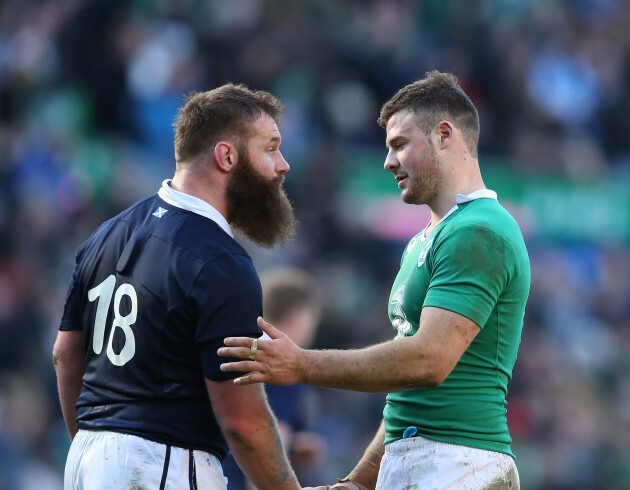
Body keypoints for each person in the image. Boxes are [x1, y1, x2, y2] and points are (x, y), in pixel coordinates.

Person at [218, 71, 531, 489]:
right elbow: (409, 387)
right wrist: (361, 480)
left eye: (399, 144)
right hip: (427, 460)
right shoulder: (426, 239)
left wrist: (302, 364)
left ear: (444, 135)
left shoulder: (479, 230)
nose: (388, 162)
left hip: (460, 463)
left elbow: (428, 361)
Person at [52, 83, 306, 489]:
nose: (283, 164)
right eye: (271, 147)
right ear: (227, 156)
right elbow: (242, 422)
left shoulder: (105, 235)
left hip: (86, 458)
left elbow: (66, 355)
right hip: (163, 463)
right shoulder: (220, 261)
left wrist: (95, 443)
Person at [222, 267, 327, 489]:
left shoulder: (241, 349)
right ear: (297, 316)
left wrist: (295, 446)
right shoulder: (283, 364)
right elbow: (265, 439)